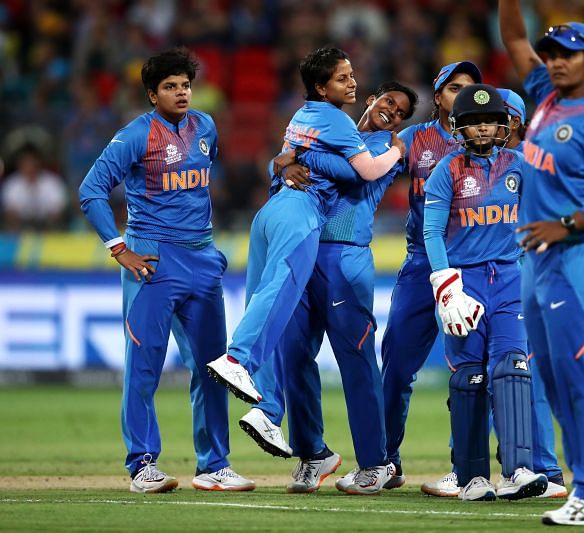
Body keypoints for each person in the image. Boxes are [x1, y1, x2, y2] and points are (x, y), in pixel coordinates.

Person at [78, 48, 254, 493]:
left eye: (185, 85)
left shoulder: (205, 127)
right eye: (171, 87)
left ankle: (214, 465)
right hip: (152, 261)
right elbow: (91, 189)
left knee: (214, 367)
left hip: (201, 258)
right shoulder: (136, 135)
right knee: (144, 366)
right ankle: (142, 466)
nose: (181, 93)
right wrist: (120, 248)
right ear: (152, 94)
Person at [205, 47, 404, 430]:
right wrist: (396, 152)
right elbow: (362, 172)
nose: (351, 82)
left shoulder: (302, 115)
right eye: (343, 78)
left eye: (351, 76)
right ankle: (237, 358)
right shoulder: (343, 125)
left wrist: (297, 159)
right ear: (320, 86)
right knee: (280, 289)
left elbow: (282, 162)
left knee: (263, 297)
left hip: (271, 211)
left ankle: (265, 409)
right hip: (301, 216)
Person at [499, 1, 584, 525]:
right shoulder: (544, 96)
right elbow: (515, 40)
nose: (556, 62)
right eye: (552, 53)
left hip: (576, 260)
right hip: (537, 261)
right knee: (556, 380)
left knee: (580, 378)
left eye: (569, 55)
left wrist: (570, 224)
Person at [242, 82, 417, 495]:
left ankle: (376, 463)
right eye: (389, 101)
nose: (393, 112)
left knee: (356, 359)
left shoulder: (384, 147)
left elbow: (355, 178)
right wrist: (280, 168)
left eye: (402, 112)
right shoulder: (340, 133)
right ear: (372, 98)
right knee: (294, 356)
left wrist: (292, 157)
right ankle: (312, 454)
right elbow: (284, 182)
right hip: (303, 248)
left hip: (345, 257)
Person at [423, 83, 548, 502]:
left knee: (513, 368)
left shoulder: (521, 165)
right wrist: (445, 286)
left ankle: (518, 470)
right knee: (469, 377)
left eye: (489, 121)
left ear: (503, 124)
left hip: (511, 278)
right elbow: (432, 231)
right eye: (473, 122)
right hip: (464, 282)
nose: (481, 129)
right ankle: (471, 476)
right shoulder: (447, 170)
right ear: (458, 127)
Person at [379, 60, 481, 498]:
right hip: (423, 263)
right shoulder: (415, 140)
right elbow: (371, 171)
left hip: (475, 264)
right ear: (438, 96)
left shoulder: (488, 141)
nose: (462, 95)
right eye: (453, 87)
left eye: (470, 88)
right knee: (396, 365)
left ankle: (467, 466)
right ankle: (384, 460)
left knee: (473, 371)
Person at [498, 87, 568, 498]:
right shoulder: (487, 163)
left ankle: (544, 469)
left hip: (526, 276)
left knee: (527, 376)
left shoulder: (528, 161)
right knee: (501, 376)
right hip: (503, 278)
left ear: (517, 122)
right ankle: (519, 466)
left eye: (504, 117)